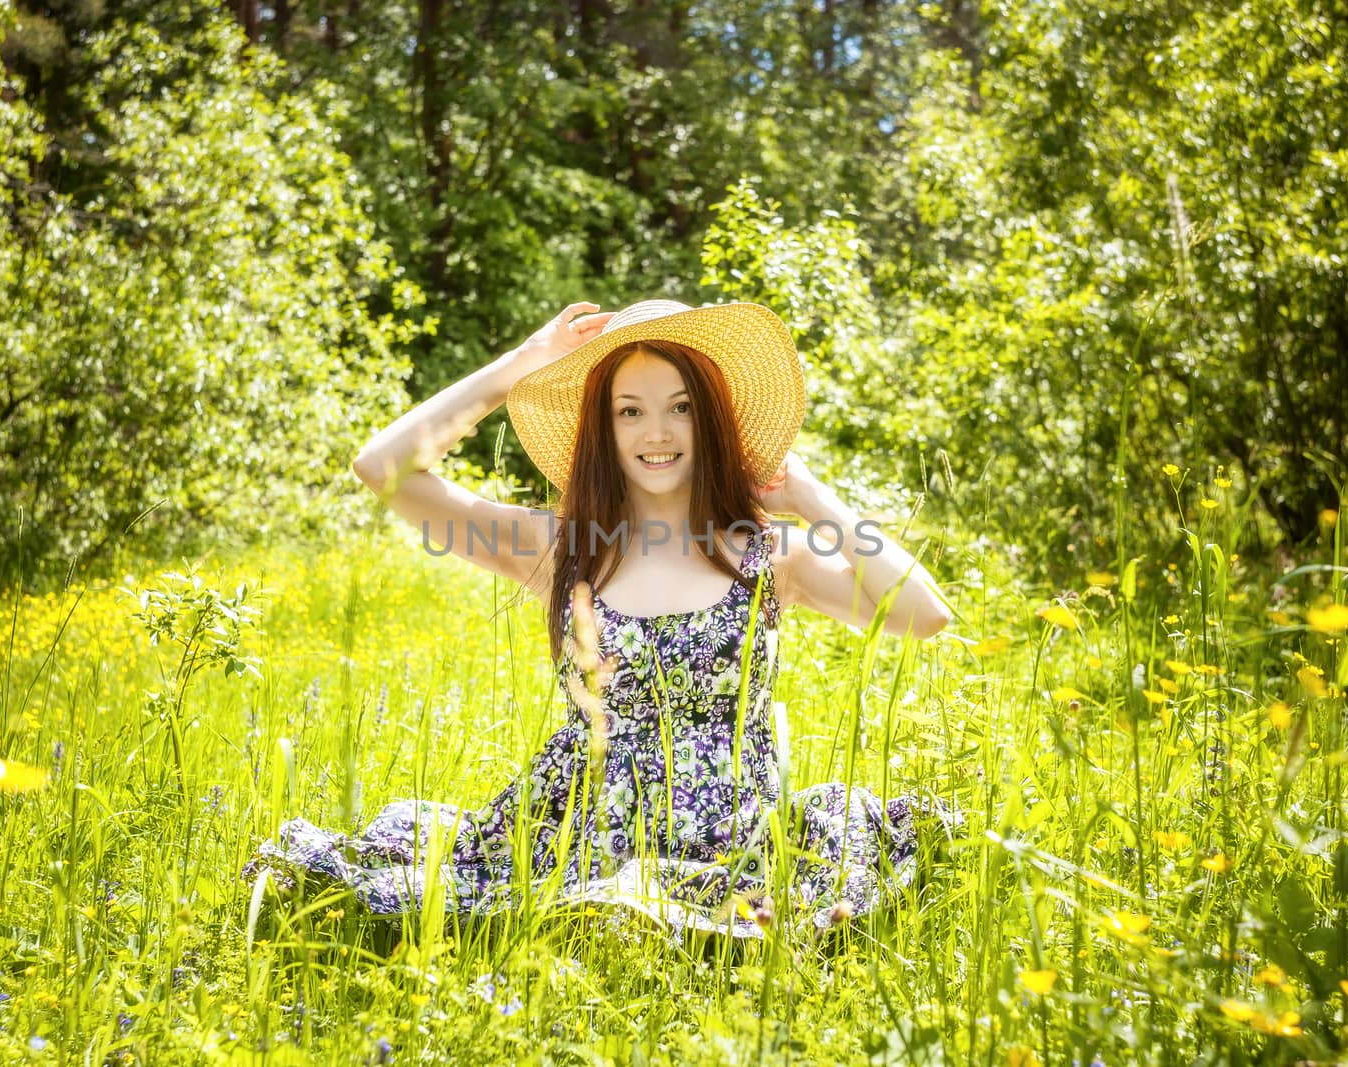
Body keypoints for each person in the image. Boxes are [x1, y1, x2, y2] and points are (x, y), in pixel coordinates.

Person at [243, 299, 957, 939]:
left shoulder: (769, 556)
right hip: (584, 832)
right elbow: (384, 466)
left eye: (681, 406)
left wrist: (809, 494)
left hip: (735, 842)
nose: (658, 432)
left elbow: (926, 613)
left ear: (709, 420)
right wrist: (518, 367)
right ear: (604, 426)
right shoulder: (562, 549)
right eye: (630, 409)